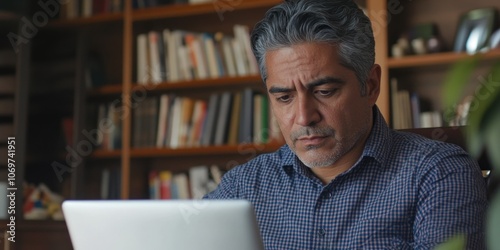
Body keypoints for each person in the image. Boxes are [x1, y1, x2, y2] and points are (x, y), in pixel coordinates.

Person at [204, 0, 488, 249]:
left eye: (324, 92)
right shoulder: (241, 187)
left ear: (371, 85)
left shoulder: (438, 173)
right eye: (284, 97)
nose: (303, 118)